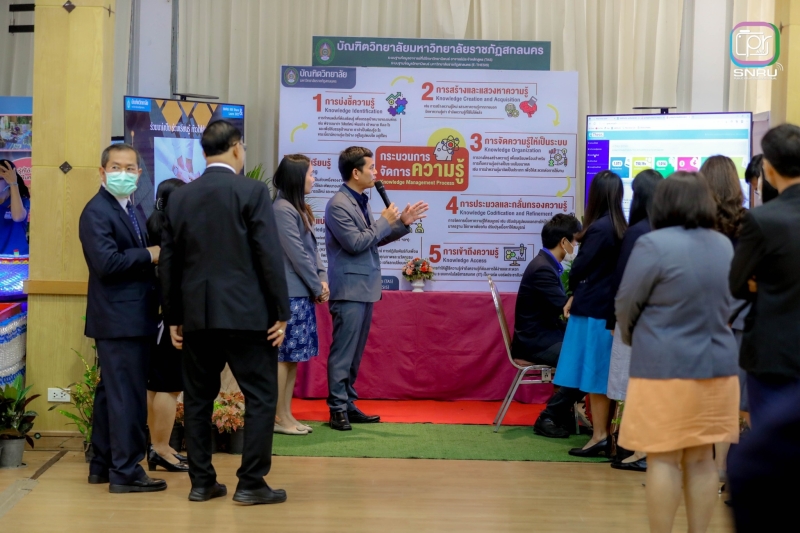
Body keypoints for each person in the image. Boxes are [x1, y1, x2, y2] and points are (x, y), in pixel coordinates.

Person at [160, 120, 290, 504]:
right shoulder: (252, 191)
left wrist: (173, 317)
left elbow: (169, 261)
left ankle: (202, 483)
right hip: (248, 315)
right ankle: (251, 483)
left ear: (204, 153)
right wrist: (281, 311)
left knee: (197, 399)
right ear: (236, 148)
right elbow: (269, 255)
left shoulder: (180, 197)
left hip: (196, 316)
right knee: (261, 396)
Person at [616, 172, 740, 533]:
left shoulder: (652, 244)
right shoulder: (723, 245)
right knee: (702, 460)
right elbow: (731, 303)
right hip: (718, 367)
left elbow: (626, 304)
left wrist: (635, 339)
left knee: (664, 459)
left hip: (663, 368)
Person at [78, 143, 165, 493]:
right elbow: (107, 263)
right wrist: (150, 254)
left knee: (109, 394)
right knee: (126, 397)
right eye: (116, 167)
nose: (123, 174)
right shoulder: (97, 211)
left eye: (130, 168)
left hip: (130, 316)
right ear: (102, 171)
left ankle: (102, 464)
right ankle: (126, 471)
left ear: (139, 174)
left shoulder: (131, 207)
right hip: (119, 319)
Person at [325, 146, 428, 431]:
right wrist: (384, 221)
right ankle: (336, 409)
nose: (376, 172)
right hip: (348, 289)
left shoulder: (360, 201)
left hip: (364, 287)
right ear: (355, 173)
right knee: (343, 352)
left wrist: (401, 223)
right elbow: (355, 243)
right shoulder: (338, 204)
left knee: (355, 353)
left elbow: (372, 238)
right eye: (371, 167)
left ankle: (348, 403)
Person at [729, 123, 800, 427]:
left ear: (769, 169)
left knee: (770, 433)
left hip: (774, 349)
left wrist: (763, 284)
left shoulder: (762, 219)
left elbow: (736, 284)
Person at [553, 170, 627, 457]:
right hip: (608, 309)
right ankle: (605, 434)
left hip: (593, 310)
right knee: (605, 374)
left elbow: (580, 268)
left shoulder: (599, 228)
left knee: (595, 376)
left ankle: (599, 436)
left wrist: (573, 289)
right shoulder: (621, 226)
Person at [606, 169, 662, 472]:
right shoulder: (667, 230)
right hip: (660, 324)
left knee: (629, 385)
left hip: (634, 319)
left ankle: (632, 449)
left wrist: (614, 318)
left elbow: (622, 282)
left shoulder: (636, 231)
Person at [512, 213, 586, 439]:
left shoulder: (546, 264)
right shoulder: (543, 269)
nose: (576, 246)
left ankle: (561, 414)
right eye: (575, 241)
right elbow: (564, 307)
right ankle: (549, 416)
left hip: (544, 335)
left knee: (585, 355)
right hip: (535, 342)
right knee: (584, 362)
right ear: (564, 242)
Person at [272, 154, 329, 436]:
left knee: (293, 357)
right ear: (296, 178)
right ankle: (277, 417)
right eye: (310, 174)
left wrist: (322, 278)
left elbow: (312, 251)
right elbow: (296, 254)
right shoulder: (281, 209)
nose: (313, 179)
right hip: (289, 294)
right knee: (283, 357)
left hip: (302, 292)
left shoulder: (297, 208)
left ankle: (286, 414)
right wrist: (317, 286)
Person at [144, 178, 188, 473]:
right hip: (168, 319)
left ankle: (159, 444)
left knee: (155, 385)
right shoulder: (171, 235)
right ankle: (160, 448)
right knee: (169, 387)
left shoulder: (154, 226)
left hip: (155, 318)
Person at [0, 159, 30, 255]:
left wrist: (13, 183)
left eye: (0, 179)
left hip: (16, 258)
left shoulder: (22, 200)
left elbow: (17, 217)